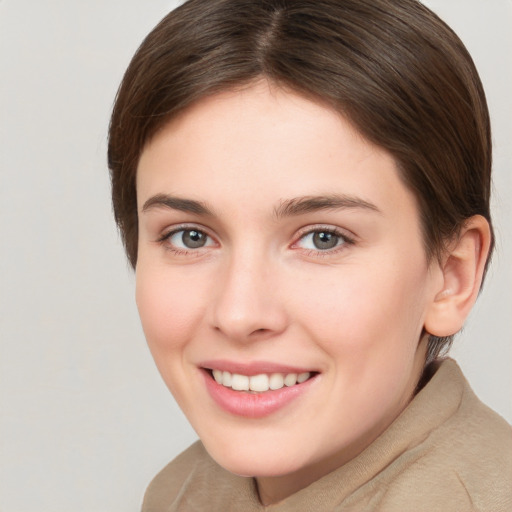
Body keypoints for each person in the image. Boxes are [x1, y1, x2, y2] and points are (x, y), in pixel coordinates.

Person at [108, 0, 512, 510]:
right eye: (191, 236)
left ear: (452, 276)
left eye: (324, 238)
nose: (239, 314)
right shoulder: (181, 492)